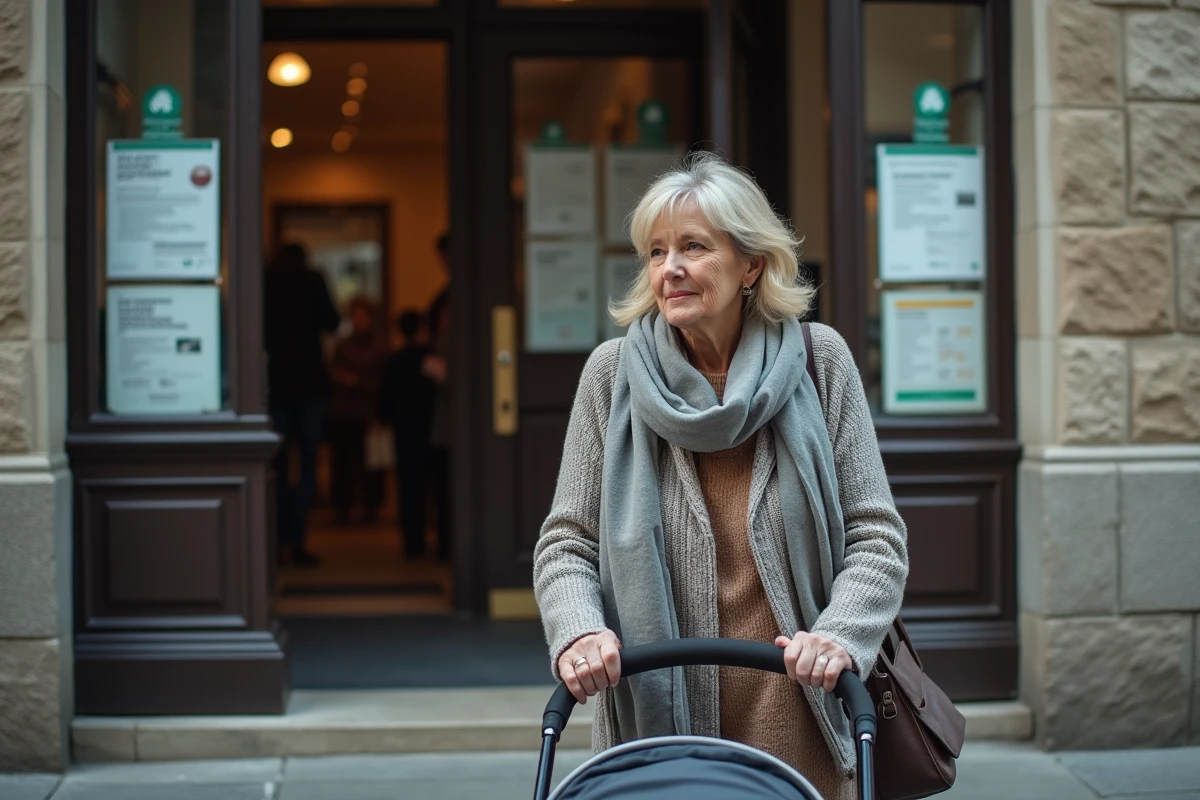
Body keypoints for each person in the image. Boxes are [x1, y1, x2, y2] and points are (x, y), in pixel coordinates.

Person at [532, 152, 909, 800]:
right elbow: (567, 541)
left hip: (800, 725)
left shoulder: (822, 365)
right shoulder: (611, 374)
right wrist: (579, 631)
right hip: (656, 735)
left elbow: (876, 536)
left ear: (752, 264)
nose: (669, 269)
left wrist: (840, 635)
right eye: (656, 252)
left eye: (693, 247)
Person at [263, 242, 340, 567]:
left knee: (276, 465)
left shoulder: (264, 280)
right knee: (307, 466)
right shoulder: (312, 279)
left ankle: (276, 541)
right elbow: (332, 322)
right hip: (309, 383)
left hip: (275, 382)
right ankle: (296, 542)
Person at [378, 309, 436, 558]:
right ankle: (445, 546)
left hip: (406, 433)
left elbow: (385, 403)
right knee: (439, 489)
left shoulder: (396, 360)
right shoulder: (435, 360)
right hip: (433, 433)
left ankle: (413, 545)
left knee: (409, 489)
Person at [327, 296, 388, 524]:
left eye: (362, 316)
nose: (358, 320)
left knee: (370, 464)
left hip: (368, 411)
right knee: (342, 463)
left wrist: (358, 382)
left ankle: (370, 508)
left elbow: (383, 383)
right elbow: (333, 372)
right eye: (355, 316)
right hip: (344, 411)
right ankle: (342, 507)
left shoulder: (380, 348)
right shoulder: (343, 345)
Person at [422, 233, 453, 561]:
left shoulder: (463, 295)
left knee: (450, 480)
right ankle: (445, 545)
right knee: (442, 479)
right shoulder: (444, 296)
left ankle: (450, 546)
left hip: (457, 405)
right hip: (444, 407)